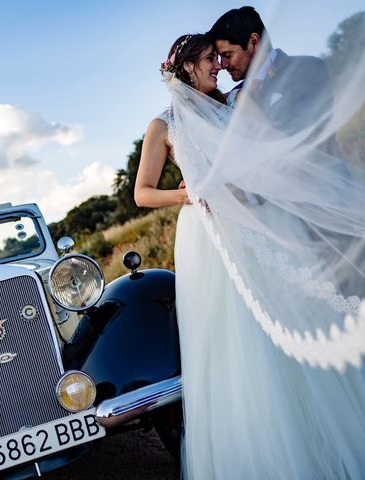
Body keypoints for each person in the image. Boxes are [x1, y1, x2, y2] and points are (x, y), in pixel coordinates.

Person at [135, 30, 365, 480]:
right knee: (237, 338)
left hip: (263, 224)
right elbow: (143, 194)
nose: (219, 67)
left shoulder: (236, 106)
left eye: (221, 60)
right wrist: (188, 195)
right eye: (209, 61)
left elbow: (268, 155)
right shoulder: (163, 126)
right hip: (209, 236)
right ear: (185, 67)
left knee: (298, 314)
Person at [207, 6, 333, 135]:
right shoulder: (234, 97)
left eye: (228, 55)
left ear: (254, 42)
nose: (223, 65)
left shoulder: (307, 68)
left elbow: (312, 134)